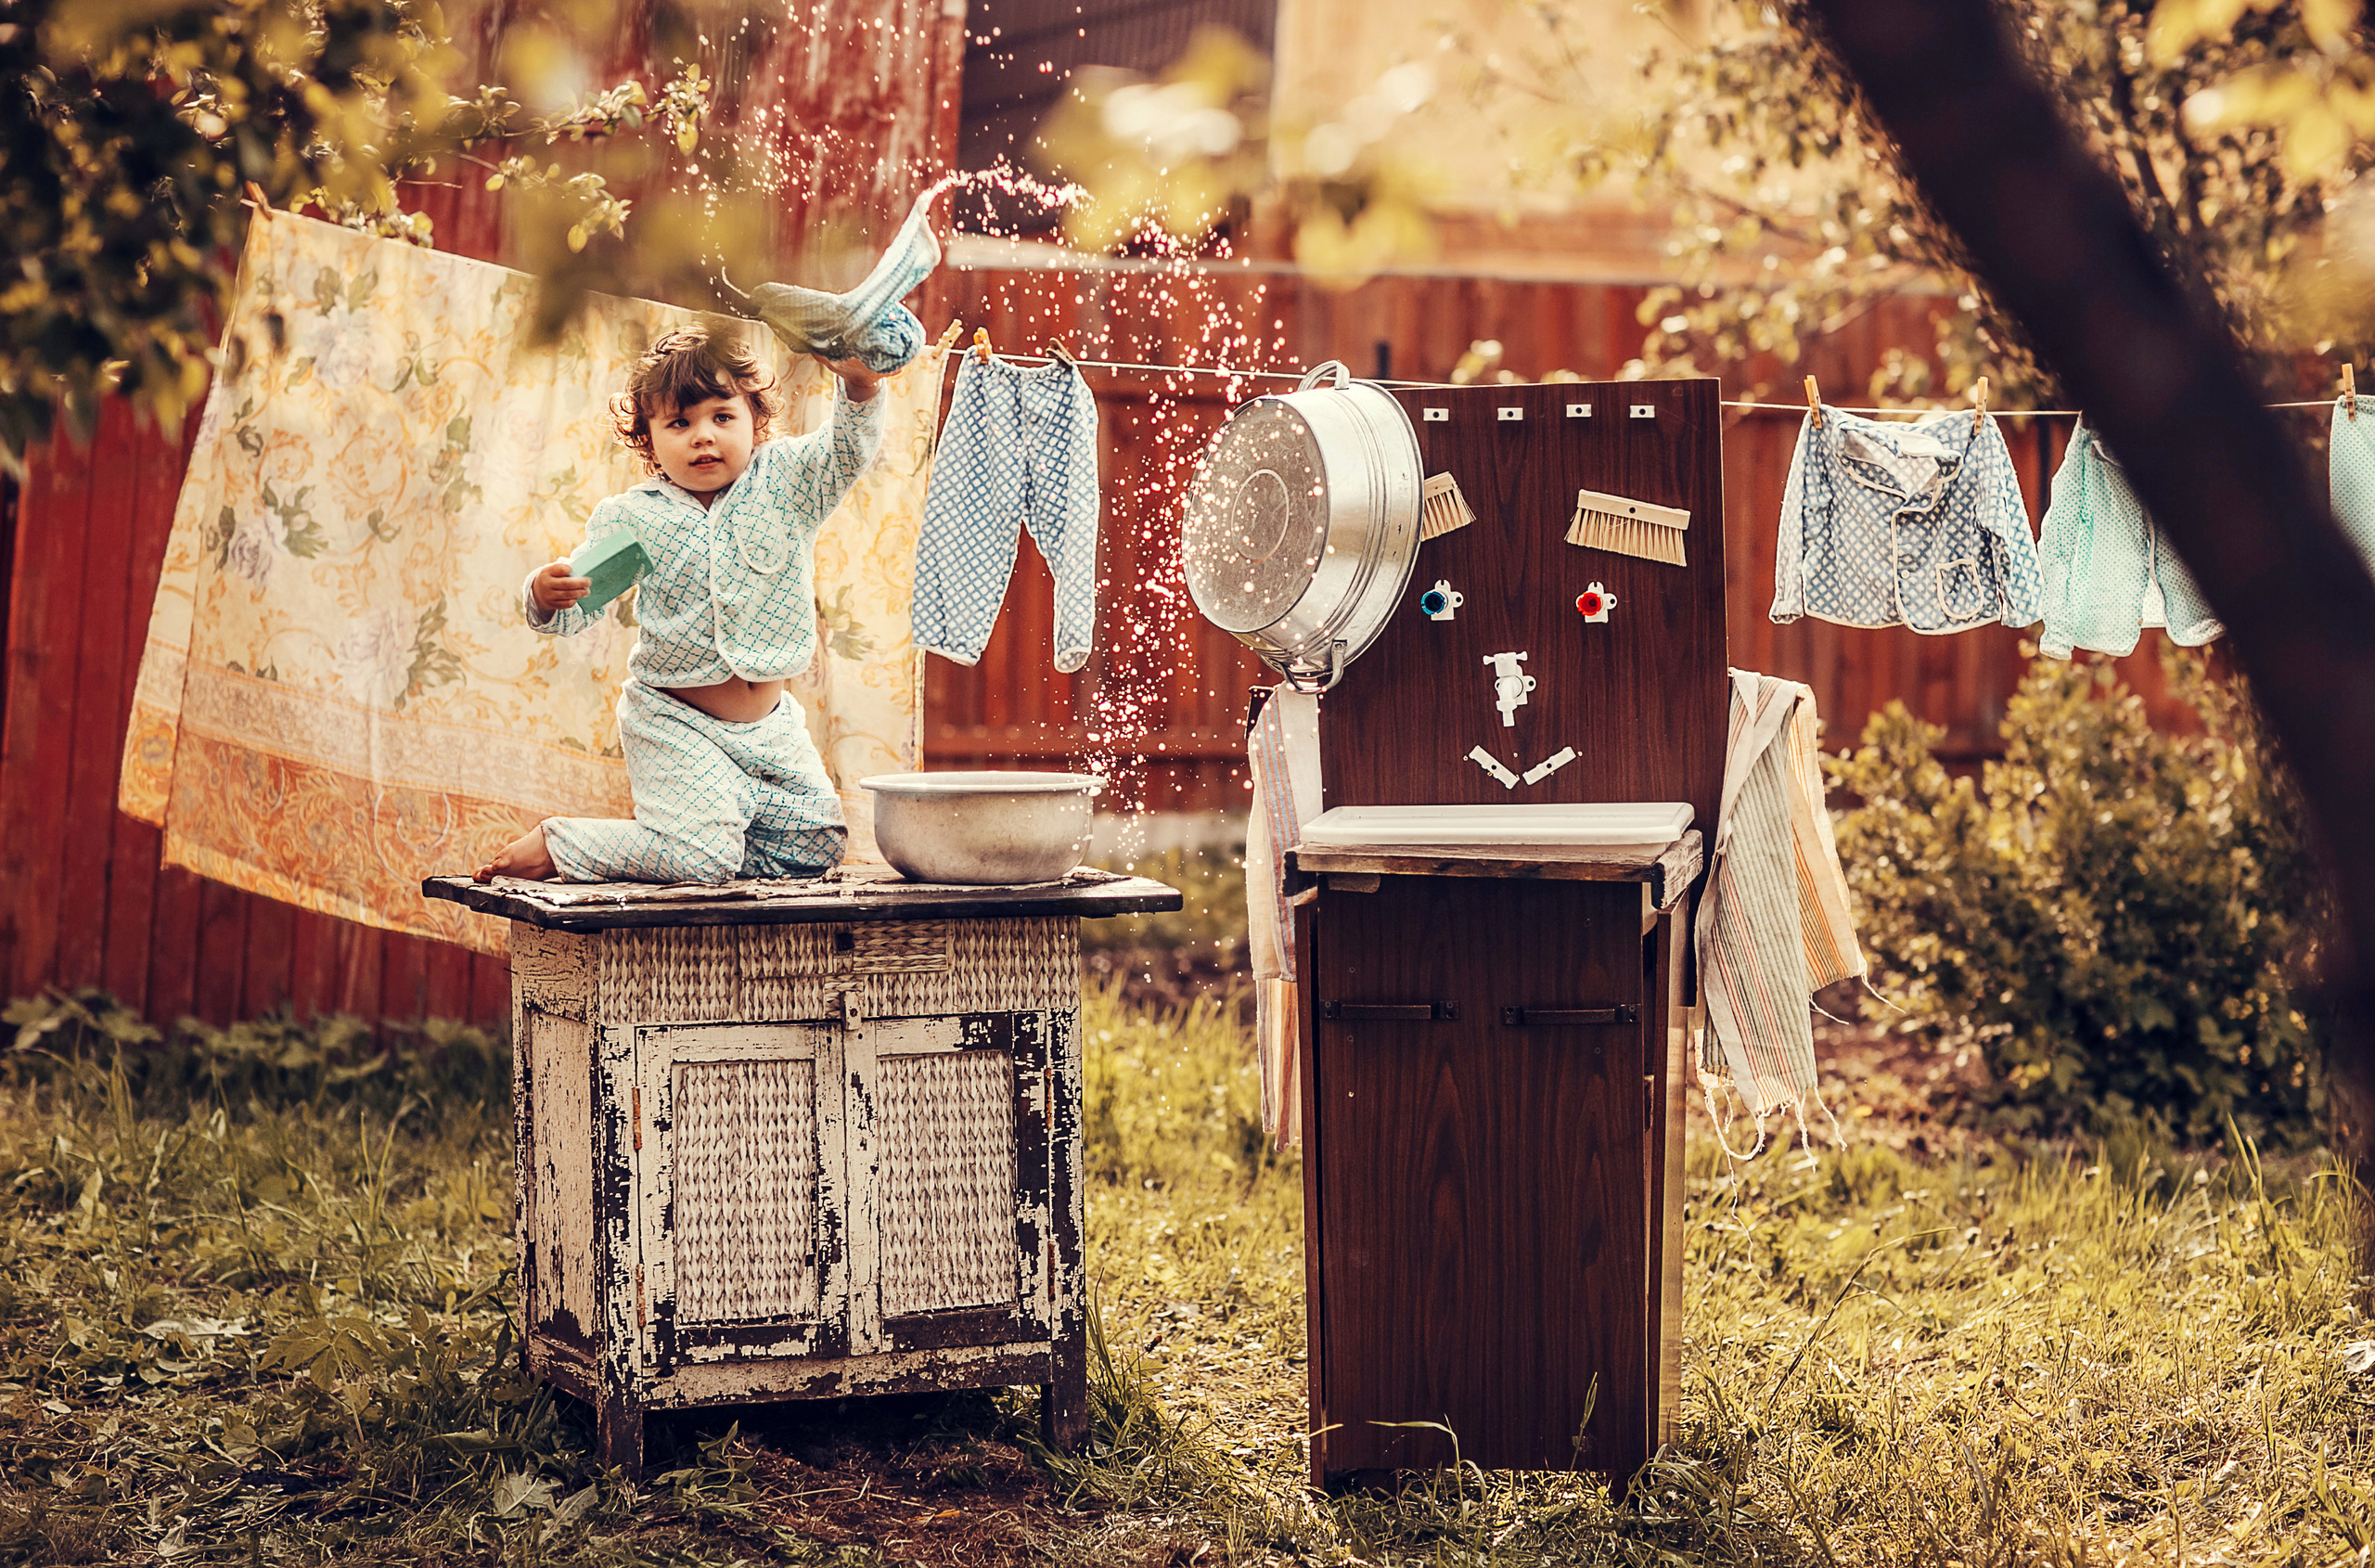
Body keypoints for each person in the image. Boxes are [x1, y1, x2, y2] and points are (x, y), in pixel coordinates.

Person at [473, 325, 882, 884]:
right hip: (675, 725)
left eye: (722, 417)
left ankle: (704, 832)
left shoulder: (787, 484)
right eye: (678, 423)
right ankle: (563, 843)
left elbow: (844, 451)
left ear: (754, 420)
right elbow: (578, 603)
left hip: (771, 729)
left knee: (818, 848)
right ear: (649, 439)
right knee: (704, 861)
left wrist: (860, 389)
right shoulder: (637, 519)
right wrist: (545, 596)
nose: (702, 437)